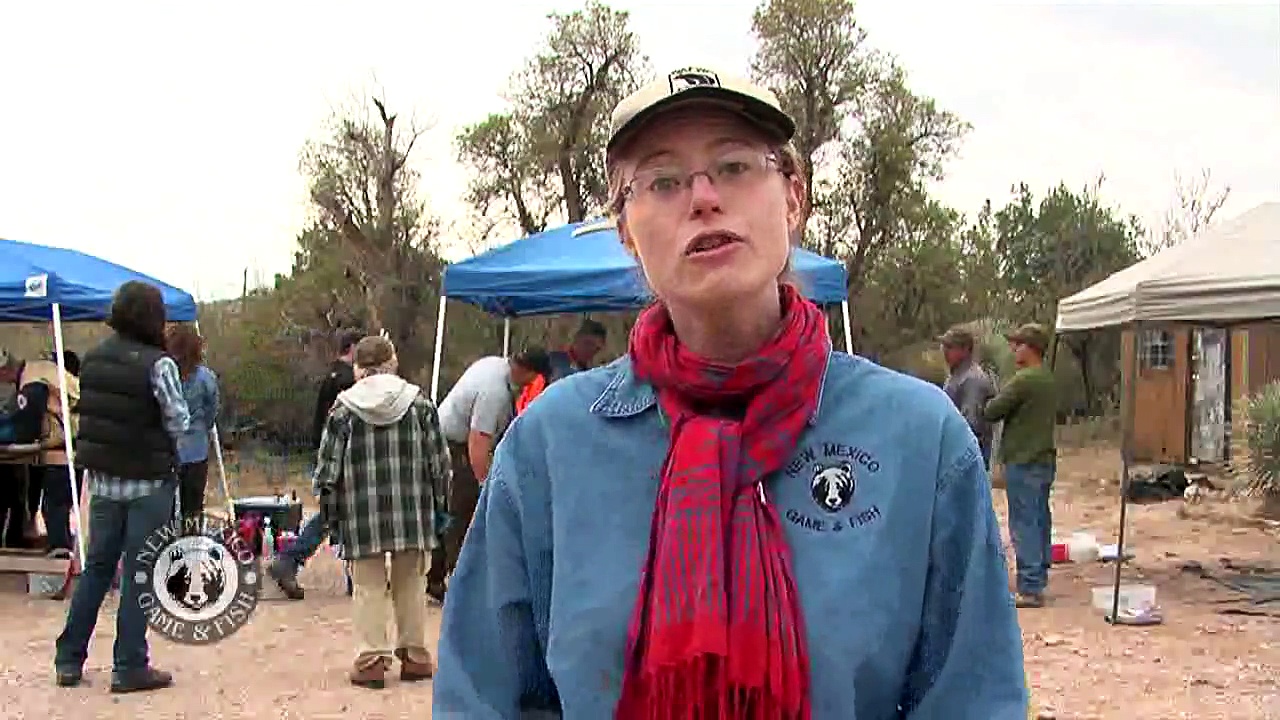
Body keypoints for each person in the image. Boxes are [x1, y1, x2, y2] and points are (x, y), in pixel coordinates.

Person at [433, 66, 1027, 718]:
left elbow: (972, 697)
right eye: (662, 180)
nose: (704, 197)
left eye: (736, 167)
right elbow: (485, 697)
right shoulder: (550, 447)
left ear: (793, 197)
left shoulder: (917, 437)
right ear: (627, 230)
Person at [53, 280, 190, 693]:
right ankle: (129, 664)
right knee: (139, 572)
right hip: (148, 481)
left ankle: (69, 657)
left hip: (104, 481)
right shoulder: (158, 364)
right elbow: (178, 419)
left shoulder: (92, 360)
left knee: (97, 568)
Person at [313, 335, 451, 688]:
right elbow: (440, 464)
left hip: (361, 515)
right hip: (413, 512)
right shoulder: (419, 403)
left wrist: (331, 516)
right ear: (392, 361)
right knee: (411, 583)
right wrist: (441, 508)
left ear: (358, 366)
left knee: (368, 587)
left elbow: (327, 473)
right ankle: (415, 658)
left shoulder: (343, 409)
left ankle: (372, 661)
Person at [425, 347, 549, 603]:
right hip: (453, 445)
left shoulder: (494, 364)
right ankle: (463, 585)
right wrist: (485, 483)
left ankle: (434, 577)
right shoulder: (495, 392)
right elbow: (477, 442)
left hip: (447, 439)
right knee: (464, 512)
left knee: (449, 511)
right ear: (526, 371)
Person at [267, 328, 361, 600]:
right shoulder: (347, 381)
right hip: (341, 453)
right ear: (352, 348)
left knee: (340, 515)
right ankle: (288, 561)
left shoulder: (331, 376)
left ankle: (356, 576)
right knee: (333, 515)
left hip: (325, 450)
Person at [984, 322, 1058, 609]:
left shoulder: (1024, 380)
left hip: (1024, 459)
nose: (1014, 349)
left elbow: (993, 411)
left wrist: (992, 395)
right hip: (1043, 459)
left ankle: (1029, 586)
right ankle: (1038, 574)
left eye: (1018, 344)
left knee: (1024, 522)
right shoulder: (1047, 378)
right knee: (1039, 517)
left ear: (1031, 348)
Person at [18, 351, 81, 558]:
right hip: (78, 451)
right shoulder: (68, 382)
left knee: (54, 505)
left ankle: (60, 551)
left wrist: (36, 442)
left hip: (61, 454)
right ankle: (69, 549)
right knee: (68, 505)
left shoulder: (39, 383)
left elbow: (29, 425)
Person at [165, 325, 219, 527]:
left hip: (168, 449)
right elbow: (212, 411)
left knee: (165, 509)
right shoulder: (206, 378)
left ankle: (166, 548)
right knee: (193, 508)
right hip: (196, 448)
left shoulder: (164, 376)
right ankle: (192, 546)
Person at [940, 326, 996, 467]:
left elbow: (971, 424)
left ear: (965, 350)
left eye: (950, 347)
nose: (944, 351)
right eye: (944, 345)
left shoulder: (972, 379)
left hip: (967, 459)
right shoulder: (956, 376)